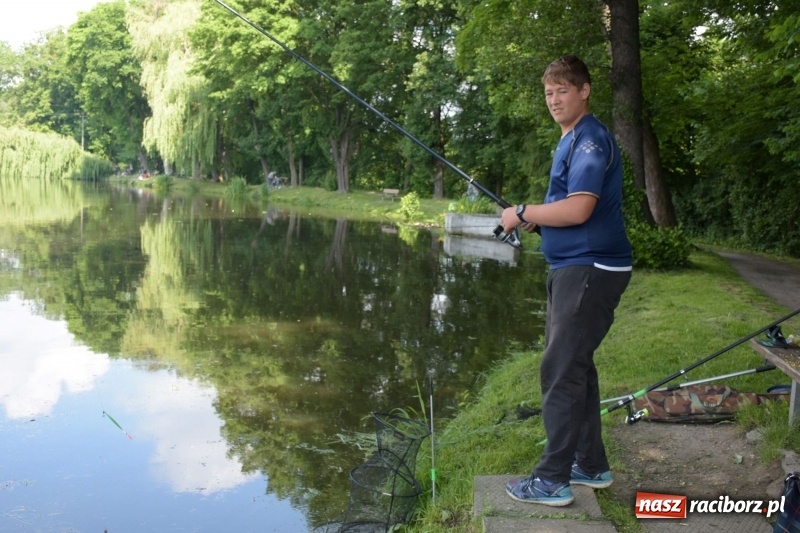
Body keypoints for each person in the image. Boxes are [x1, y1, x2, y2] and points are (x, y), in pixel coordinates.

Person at [499, 55, 633, 507]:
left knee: (559, 369)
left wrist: (521, 214)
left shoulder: (590, 140)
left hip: (591, 270)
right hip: (576, 269)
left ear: (584, 91)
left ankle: (551, 480)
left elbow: (579, 209)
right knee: (577, 366)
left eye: (563, 90)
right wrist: (538, 221)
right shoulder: (572, 139)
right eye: (549, 92)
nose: (555, 100)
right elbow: (567, 208)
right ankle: (590, 464)